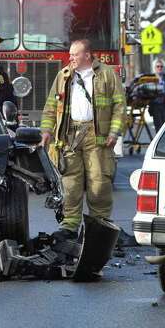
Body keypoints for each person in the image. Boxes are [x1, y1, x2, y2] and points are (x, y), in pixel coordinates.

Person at [40, 38, 125, 237]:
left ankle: (99, 224)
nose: (71, 58)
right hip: (70, 135)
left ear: (87, 55)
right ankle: (69, 225)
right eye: (70, 55)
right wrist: (46, 132)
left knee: (99, 181)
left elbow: (120, 106)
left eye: (74, 54)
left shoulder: (107, 74)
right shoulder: (64, 76)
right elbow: (51, 106)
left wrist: (113, 132)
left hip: (98, 136)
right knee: (70, 182)